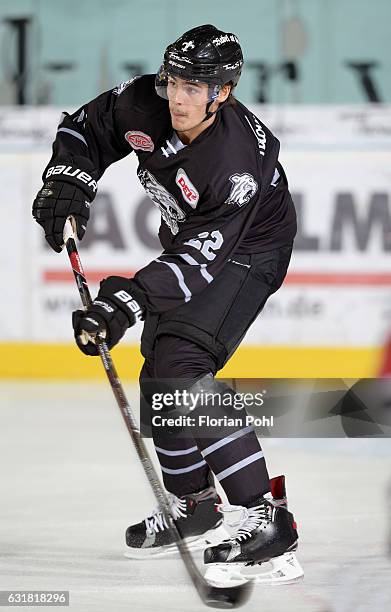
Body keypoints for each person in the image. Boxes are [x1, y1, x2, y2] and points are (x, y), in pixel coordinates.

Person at [32, 24, 303, 585]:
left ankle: (265, 517)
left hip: (248, 250)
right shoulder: (148, 100)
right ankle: (196, 505)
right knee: (159, 366)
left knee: (183, 363)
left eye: (193, 86)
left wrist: (124, 302)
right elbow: (88, 126)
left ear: (222, 92)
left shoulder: (234, 167)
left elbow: (200, 263)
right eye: (173, 80)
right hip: (192, 239)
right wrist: (69, 181)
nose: (177, 96)